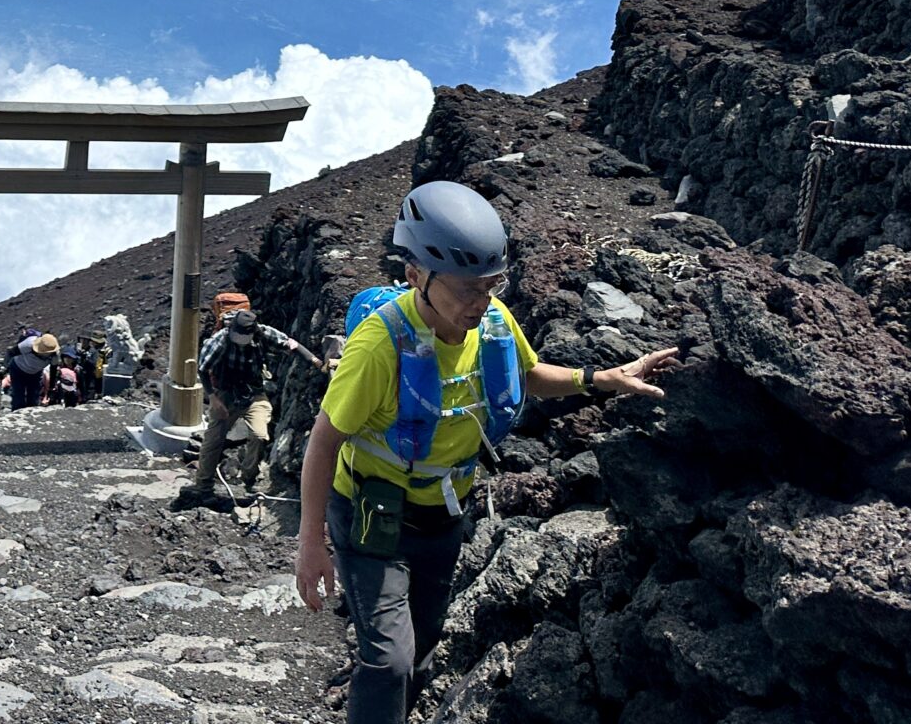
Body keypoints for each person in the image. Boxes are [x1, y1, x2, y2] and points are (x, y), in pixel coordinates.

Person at [293, 180, 680, 724]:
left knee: (425, 641)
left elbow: (527, 374)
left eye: (491, 286)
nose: (481, 301)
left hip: (445, 515)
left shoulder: (492, 322)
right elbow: (324, 442)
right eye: (466, 289)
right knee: (389, 660)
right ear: (416, 276)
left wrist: (604, 377)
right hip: (371, 516)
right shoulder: (380, 345)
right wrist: (311, 542)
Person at [173, 307, 313, 509]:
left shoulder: (263, 333)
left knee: (260, 435)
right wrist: (213, 398)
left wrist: (316, 362)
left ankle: (249, 477)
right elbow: (203, 369)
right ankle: (203, 486)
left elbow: (292, 345)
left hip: (254, 393)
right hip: (225, 395)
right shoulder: (220, 341)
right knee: (213, 440)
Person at [7, 330, 58, 409]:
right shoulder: (29, 344)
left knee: (33, 398)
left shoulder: (54, 356)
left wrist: (51, 387)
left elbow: (53, 371)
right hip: (18, 370)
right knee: (18, 396)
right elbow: (11, 352)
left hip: (35, 373)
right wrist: (5, 368)